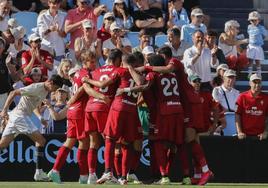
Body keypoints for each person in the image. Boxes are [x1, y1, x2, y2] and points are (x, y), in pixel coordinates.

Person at [47, 50, 107, 184]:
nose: (94, 64)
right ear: (84, 62)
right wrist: (101, 97)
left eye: (94, 61)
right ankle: (85, 175)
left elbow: (78, 90)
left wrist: (71, 101)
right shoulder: (85, 73)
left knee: (70, 142)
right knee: (84, 144)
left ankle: (55, 170)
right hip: (80, 112)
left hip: (72, 111)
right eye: (91, 62)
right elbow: (84, 89)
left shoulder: (77, 74)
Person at [84, 54, 143, 185]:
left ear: (122, 62)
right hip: (132, 110)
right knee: (126, 144)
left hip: (118, 107)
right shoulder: (138, 73)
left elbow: (102, 83)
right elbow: (140, 84)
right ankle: (123, 177)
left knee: (110, 139)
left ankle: (108, 171)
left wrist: (88, 81)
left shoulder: (119, 71)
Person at [0, 74, 64, 181]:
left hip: (17, 117)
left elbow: (32, 104)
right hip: (19, 116)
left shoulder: (45, 91)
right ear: (51, 83)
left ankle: (38, 172)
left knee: (2, 145)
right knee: (41, 140)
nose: (55, 91)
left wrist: (40, 118)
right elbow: (13, 92)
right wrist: (5, 110)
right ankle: (38, 172)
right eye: (55, 88)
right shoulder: (35, 87)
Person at [83, 49, 122, 184]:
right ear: (117, 60)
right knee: (110, 141)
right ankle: (109, 172)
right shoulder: (116, 71)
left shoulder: (95, 72)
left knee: (94, 142)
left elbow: (88, 88)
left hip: (90, 107)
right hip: (103, 109)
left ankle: (91, 175)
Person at [235, 74, 268, 140]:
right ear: (250, 83)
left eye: (259, 82)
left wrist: (266, 132)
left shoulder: (266, 98)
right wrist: (239, 132)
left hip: (260, 136)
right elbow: (237, 115)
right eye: (254, 82)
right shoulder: (242, 97)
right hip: (244, 136)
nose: (257, 85)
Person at [212, 69, 239, 133]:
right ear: (223, 78)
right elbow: (217, 105)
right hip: (221, 120)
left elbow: (237, 107)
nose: (231, 80)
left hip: (233, 120)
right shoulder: (216, 90)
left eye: (233, 78)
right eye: (229, 77)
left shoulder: (237, 92)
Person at [247, 11, 268, 78]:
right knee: (250, 60)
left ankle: (259, 74)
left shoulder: (261, 28)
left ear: (258, 20)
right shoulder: (249, 27)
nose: (254, 22)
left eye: (255, 20)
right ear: (250, 21)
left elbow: (266, 34)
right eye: (252, 20)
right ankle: (249, 73)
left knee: (257, 60)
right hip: (251, 46)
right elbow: (250, 35)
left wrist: (263, 39)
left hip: (258, 46)